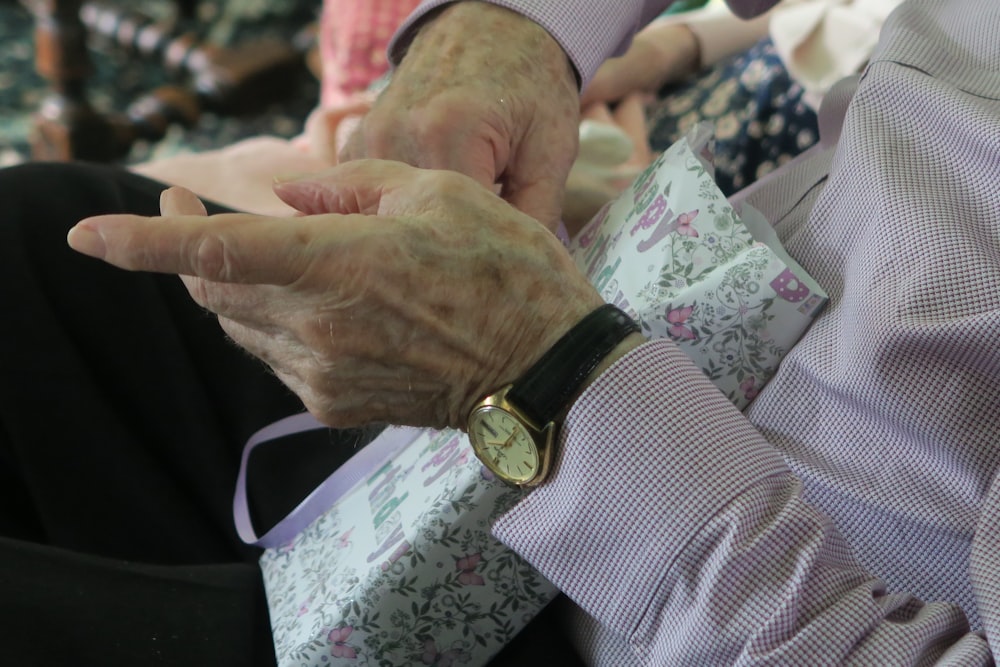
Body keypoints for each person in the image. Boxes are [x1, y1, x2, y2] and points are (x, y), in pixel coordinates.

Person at [4, 2, 1000, 667]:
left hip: (698, 605)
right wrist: (520, 30)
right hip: (619, 363)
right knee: (36, 251)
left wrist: (551, 378)